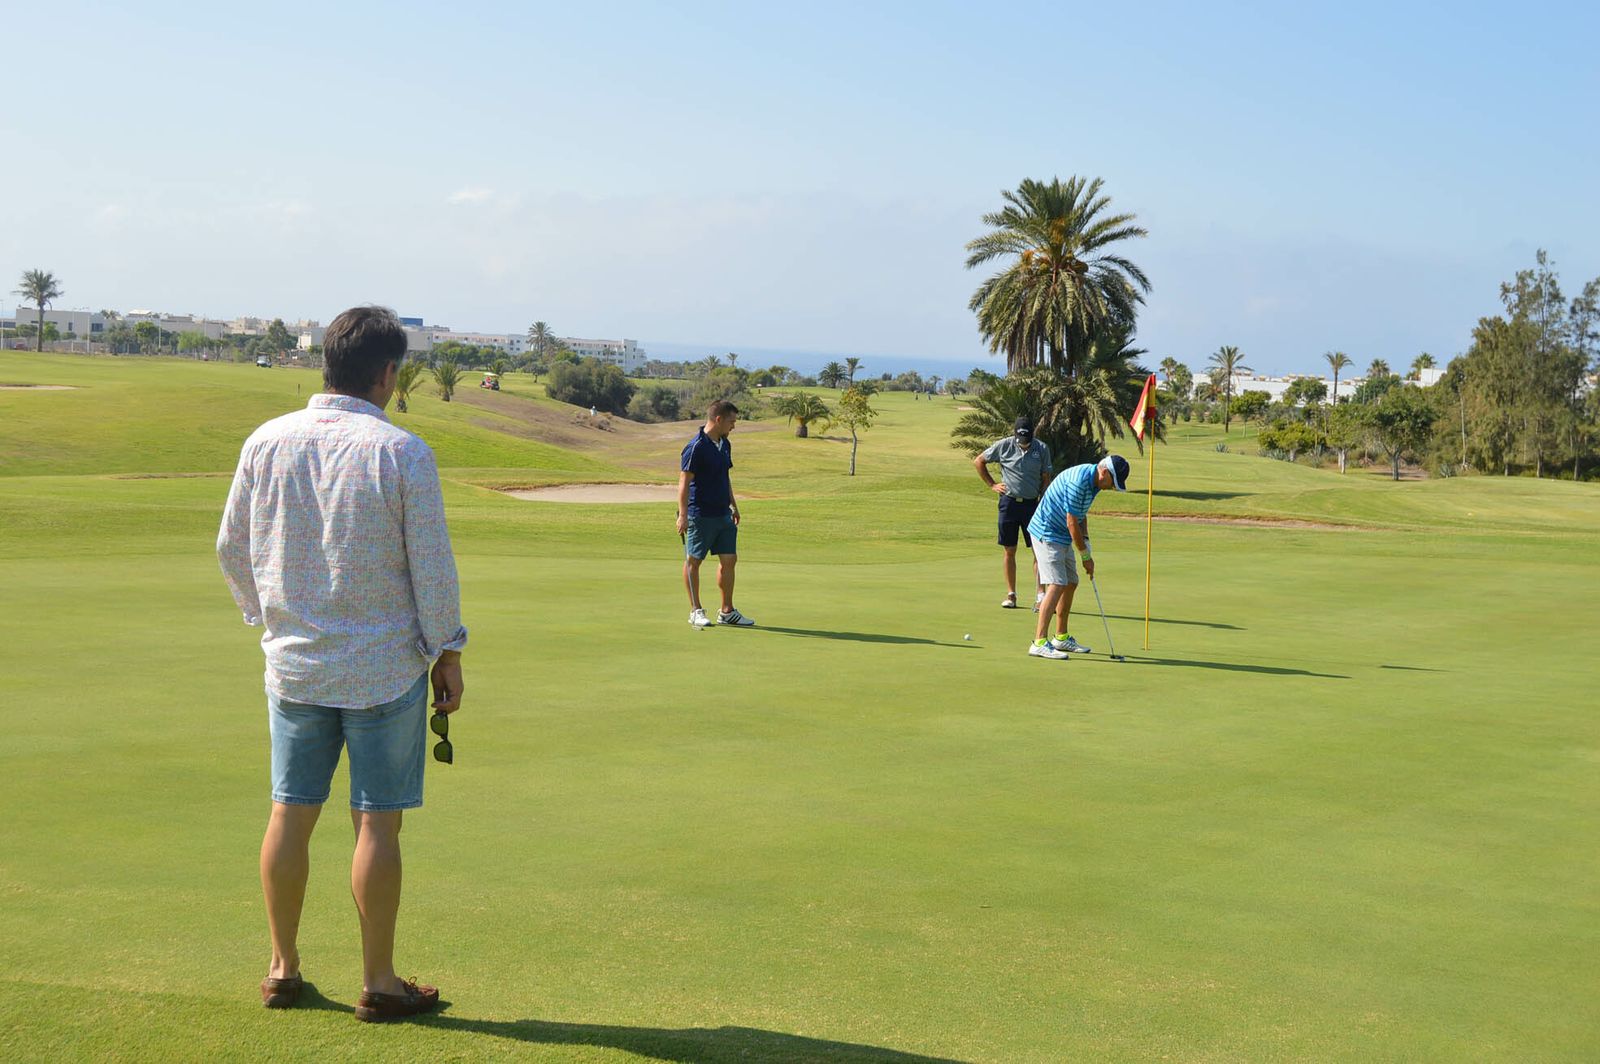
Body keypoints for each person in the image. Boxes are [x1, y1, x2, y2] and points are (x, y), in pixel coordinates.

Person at [217, 305, 467, 1021]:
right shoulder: (403, 452)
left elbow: (231, 547)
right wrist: (448, 649)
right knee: (377, 824)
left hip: (295, 667)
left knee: (290, 813)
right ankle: (379, 982)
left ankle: (281, 969)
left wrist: (265, 617)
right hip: (383, 670)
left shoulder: (266, 441)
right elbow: (432, 568)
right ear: (387, 373)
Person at [1023, 454, 1129, 659]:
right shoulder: (1079, 481)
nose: (1112, 487)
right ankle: (1039, 642)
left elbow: (1081, 515)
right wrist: (1085, 557)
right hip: (1046, 532)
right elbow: (1071, 522)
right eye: (1113, 482)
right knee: (1057, 583)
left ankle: (1061, 637)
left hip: (1061, 534)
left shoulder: (1095, 484)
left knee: (1071, 582)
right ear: (1104, 472)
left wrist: (1086, 542)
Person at [677, 399, 755, 627]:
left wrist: (734, 505)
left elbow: (724, 477)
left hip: (723, 513)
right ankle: (695, 610)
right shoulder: (696, 447)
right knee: (693, 561)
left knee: (730, 559)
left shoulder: (724, 444)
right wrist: (683, 515)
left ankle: (727, 611)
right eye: (731, 422)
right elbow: (684, 482)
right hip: (699, 513)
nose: (734, 426)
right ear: (718, 419)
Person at [973, 417, 1052, 610]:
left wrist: (1042, 499)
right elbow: (979, 461)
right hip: (1008, 504)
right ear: (1015, 433)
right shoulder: (1005, 445)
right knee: (1009, 550)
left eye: (1026, 439)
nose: (1023, 442)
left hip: (1032, 505)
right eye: (1020, 438)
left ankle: (1041, 596)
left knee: (1038, 551)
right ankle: (1011, 595)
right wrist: (992, 484)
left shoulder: (1041, 449)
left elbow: (1046, 477)